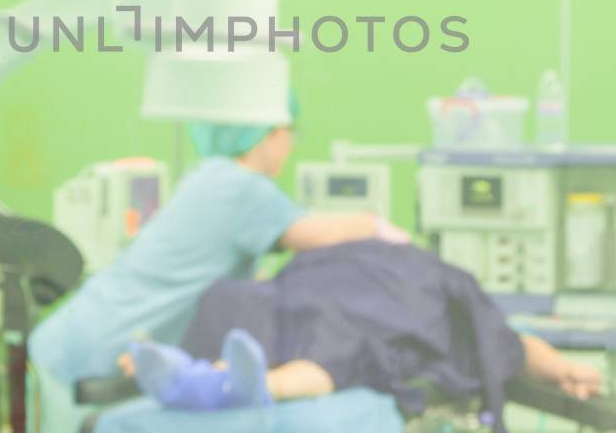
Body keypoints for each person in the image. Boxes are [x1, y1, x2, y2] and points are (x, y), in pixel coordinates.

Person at [29, 90, 410, 387]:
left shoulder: (208, 177)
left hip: (80, 335)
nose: (290, 147)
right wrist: (376, 226)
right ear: (271, 134)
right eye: (290, 135)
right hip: (90, 351)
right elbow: (314, 232)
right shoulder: (239, 187)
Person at [120, 240, 604, 433]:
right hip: (320, 302)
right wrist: (562, 367)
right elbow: (509, 343)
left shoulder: (430, 280)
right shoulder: (442, 284)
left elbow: (508, 343)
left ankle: (206, 376)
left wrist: (561, 368)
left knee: (257, 309)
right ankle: (225, 379)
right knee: (326, 337)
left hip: (308, 303)